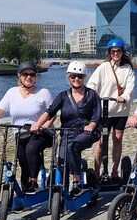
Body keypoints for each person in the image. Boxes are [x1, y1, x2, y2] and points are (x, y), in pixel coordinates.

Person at [32, 61, 101, 197]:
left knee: (74, 147)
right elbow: (50, 112)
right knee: (62, 161)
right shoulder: (63, 96)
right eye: (73, 76)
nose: (76, 79)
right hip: (67, 132)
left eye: (80, 77)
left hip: (86, 132)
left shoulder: (92, 95)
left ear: (84, 78)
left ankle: (76, 182)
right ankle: (61, 192)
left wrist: (91, 125)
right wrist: (38, 125)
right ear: (68, 77)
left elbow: (97, 114)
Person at [0, 62, 54, 193]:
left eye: (32, 74)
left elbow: (52, 113)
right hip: (20, 133)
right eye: (25, 74)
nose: (29, 77)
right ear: (19, 76)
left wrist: (43, 126)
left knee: (31, 149)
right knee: (22, 160)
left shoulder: (43, 93)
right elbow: (0, 110)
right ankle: (25, 193)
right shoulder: (12, 92)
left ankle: (33, 181)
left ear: (35, 76)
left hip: (41, 133)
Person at [87, 39, 136, 178]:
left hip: (121, 110)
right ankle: (97, 171)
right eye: (113, 51)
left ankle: (115, 170)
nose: (116, 53)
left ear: (122, 52)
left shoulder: (128, 69)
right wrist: (93, 98)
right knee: (101, 141)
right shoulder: (104, 67)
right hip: (104, 110)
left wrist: (125, 96)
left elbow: (131, 86)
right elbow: (92, 85)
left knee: (118, 138)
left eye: (118, 51)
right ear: (109, 53)